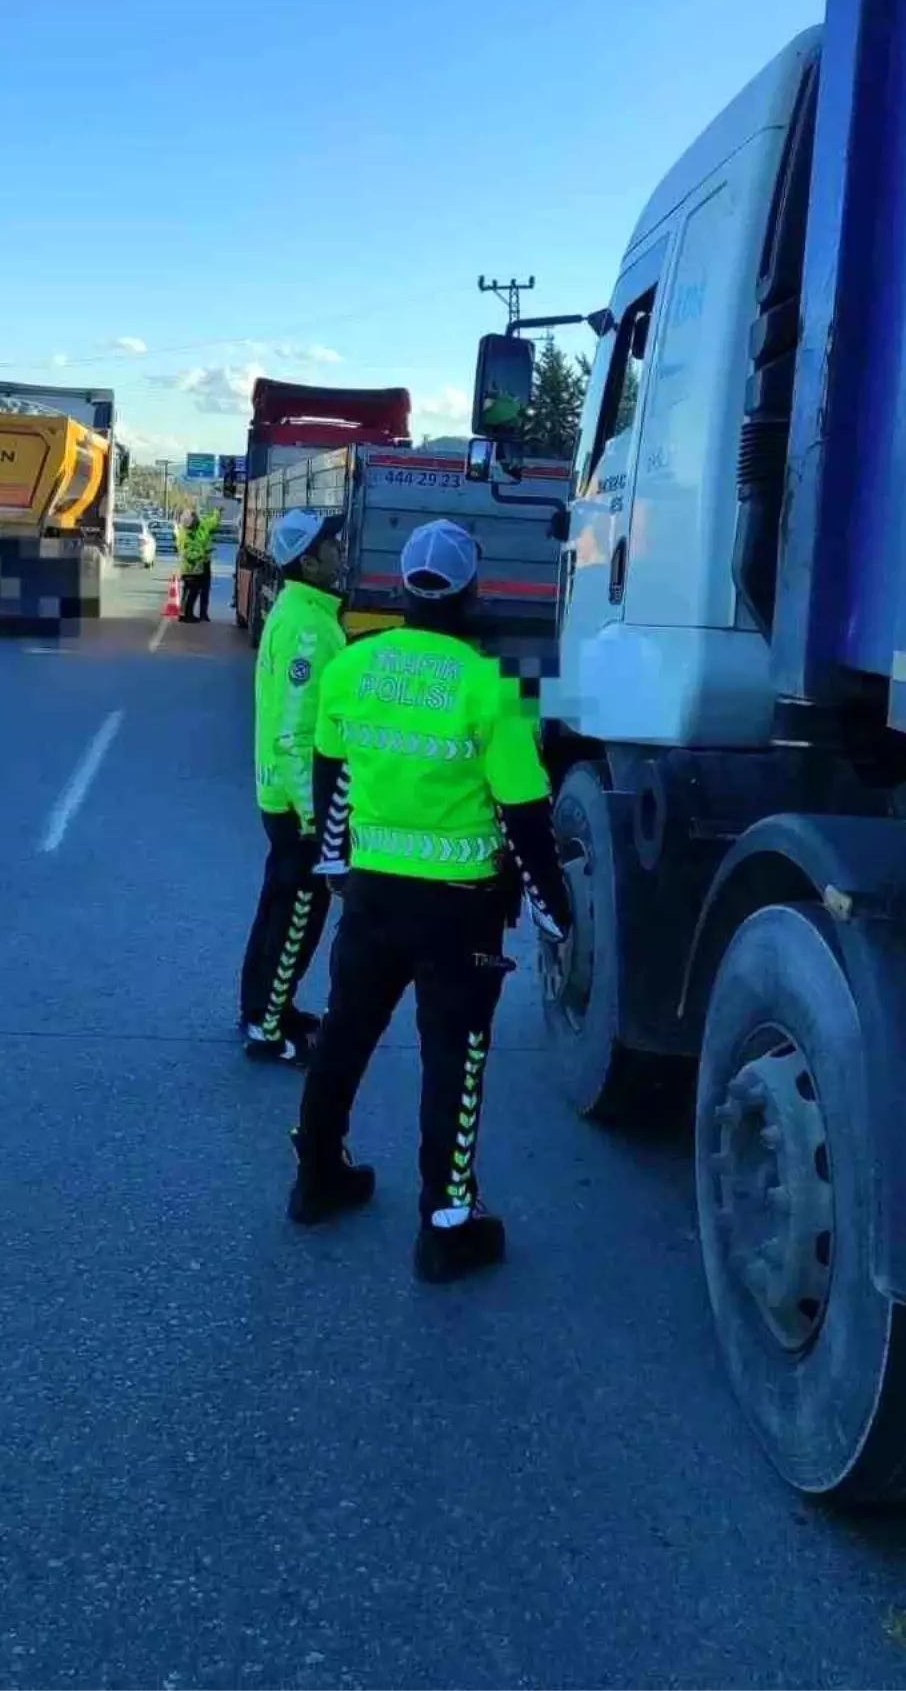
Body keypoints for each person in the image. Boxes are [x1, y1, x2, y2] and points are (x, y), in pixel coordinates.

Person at [288, 517, 572, 1283]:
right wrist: (556, 911)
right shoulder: (490, 688)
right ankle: (447, 1226)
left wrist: (336, 863)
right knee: (455, 1059)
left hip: (373, 899)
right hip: (460, 912)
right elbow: (524, 818)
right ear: (471, 591)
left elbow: (332, 778)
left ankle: (316, 1177)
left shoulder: (355, 666)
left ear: (403, 588)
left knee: (344, 1034)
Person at [240, 506, 346, 1065]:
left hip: (280, 797)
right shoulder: (308, 627)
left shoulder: (300, 612)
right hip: (296, 803)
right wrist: (317, 820)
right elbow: (295, 735)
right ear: (308, 558)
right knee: (298, 917)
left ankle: (263, 1005)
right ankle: (268, 1027)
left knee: (278, 910)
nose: (340, 551)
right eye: (331, 545)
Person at [175, 506, 221, 622]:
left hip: (203, 563)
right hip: (191, 565)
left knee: (203, 589)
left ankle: (202, 614)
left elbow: (214, 521)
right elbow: (184, 550)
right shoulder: (183, 533)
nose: (190, 528)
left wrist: (217, 512)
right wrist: (199, 554)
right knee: (191, 590)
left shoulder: (204, 524)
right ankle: (186, 614)